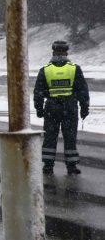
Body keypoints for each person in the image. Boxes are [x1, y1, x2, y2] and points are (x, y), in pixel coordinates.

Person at [33, 40, 89, 176]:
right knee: (70, 137)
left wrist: (39, 109)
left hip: (52, 107)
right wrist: (84, 107)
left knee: (50, 138)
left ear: (53, 52)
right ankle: (71, 166)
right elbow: (82, 90)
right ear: (66, 53)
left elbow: (38, 92)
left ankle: (47, 166)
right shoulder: (74, 68)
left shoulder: (45, 70)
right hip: (70, 107)